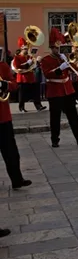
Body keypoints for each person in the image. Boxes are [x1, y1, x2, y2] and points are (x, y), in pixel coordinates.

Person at [39, 28, 78, 147]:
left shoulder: (64, 57)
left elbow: (76, 70)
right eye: (56, 48)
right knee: (55, 117)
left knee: (73, 116)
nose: (58, 50)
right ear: (51, 48)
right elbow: (47, 74)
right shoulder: (46, 60)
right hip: (55, 90)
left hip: (68, 89)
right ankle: (55, 139)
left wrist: (70, 61)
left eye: (60, 48)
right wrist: (59, 68)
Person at [0, 59, 32, 189]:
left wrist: (4, 85)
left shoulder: (2, 66)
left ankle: (17, 179)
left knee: (11, 152)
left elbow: (14, 84)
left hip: (2, 116)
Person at [12, 38, 45, 112]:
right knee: (22, 94)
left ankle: (38, 106)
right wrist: (28, 63)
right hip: (22, 78)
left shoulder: (29, 57)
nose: (27, 50)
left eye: (27, 49)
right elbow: (18, 66)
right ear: (21, 48)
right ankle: (21, 107)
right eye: (25, 49)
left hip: (31, 77)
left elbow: (34, 66)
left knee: (36, 92)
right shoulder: (17, 57)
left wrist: (37, 61)